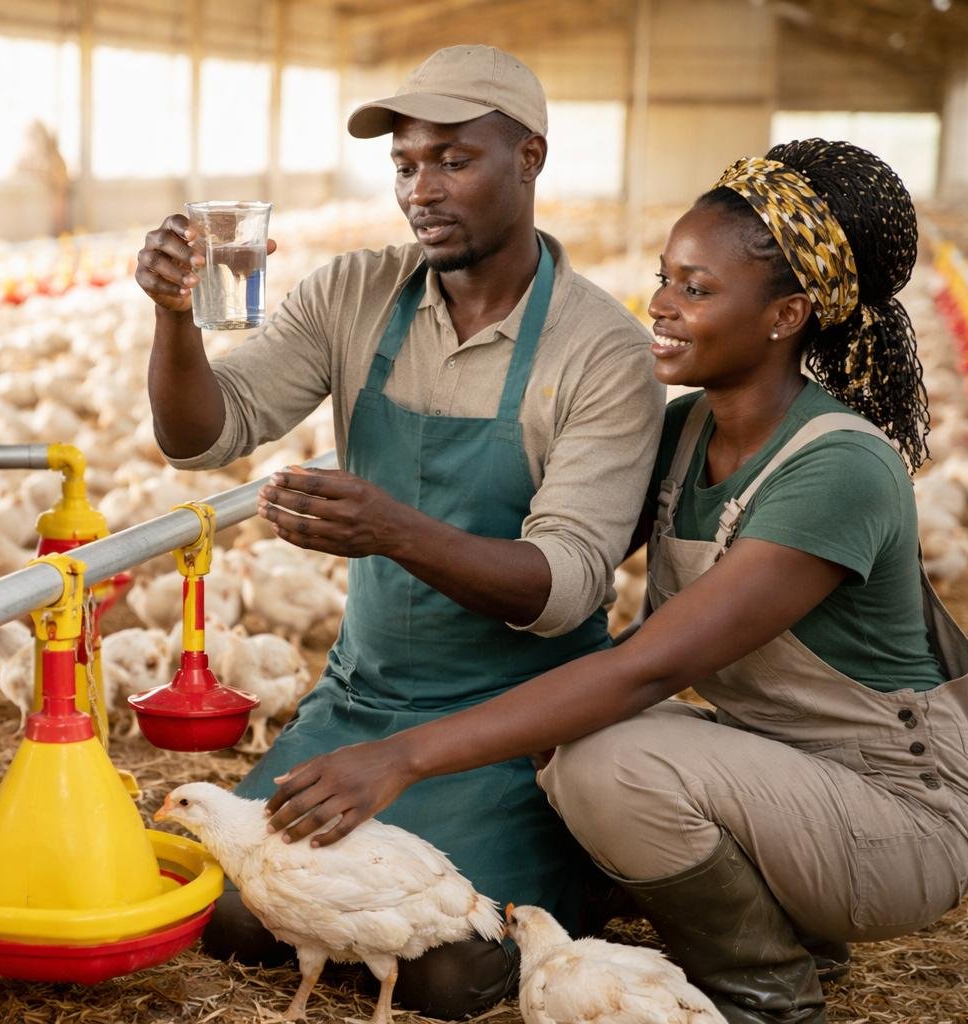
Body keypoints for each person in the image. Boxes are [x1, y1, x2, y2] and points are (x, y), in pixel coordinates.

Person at [261, 138, 968, 1024]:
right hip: (776, 775)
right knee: (562, 729)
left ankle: (768, 994)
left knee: (606, 755)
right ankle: (784, 918)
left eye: (698, 288)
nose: (662, 306)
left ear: (787, 314)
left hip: (894, 814)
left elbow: (645, 668)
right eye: (666, 277)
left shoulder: (837, 469)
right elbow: (560, 555)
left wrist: (401, 757)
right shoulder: (685, 434)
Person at [134, 45, 665, 1017]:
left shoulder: (601, 350)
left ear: (530, 159)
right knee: (223, 907)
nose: (421, 188)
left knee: (450, 969)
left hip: (516, 720)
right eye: (406, 164)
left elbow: (563, 590)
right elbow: (204, 434)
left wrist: (393, 529)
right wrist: (177, 319)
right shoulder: (355, 295)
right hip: (364, 699)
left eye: (454, 160)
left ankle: (577, 861)